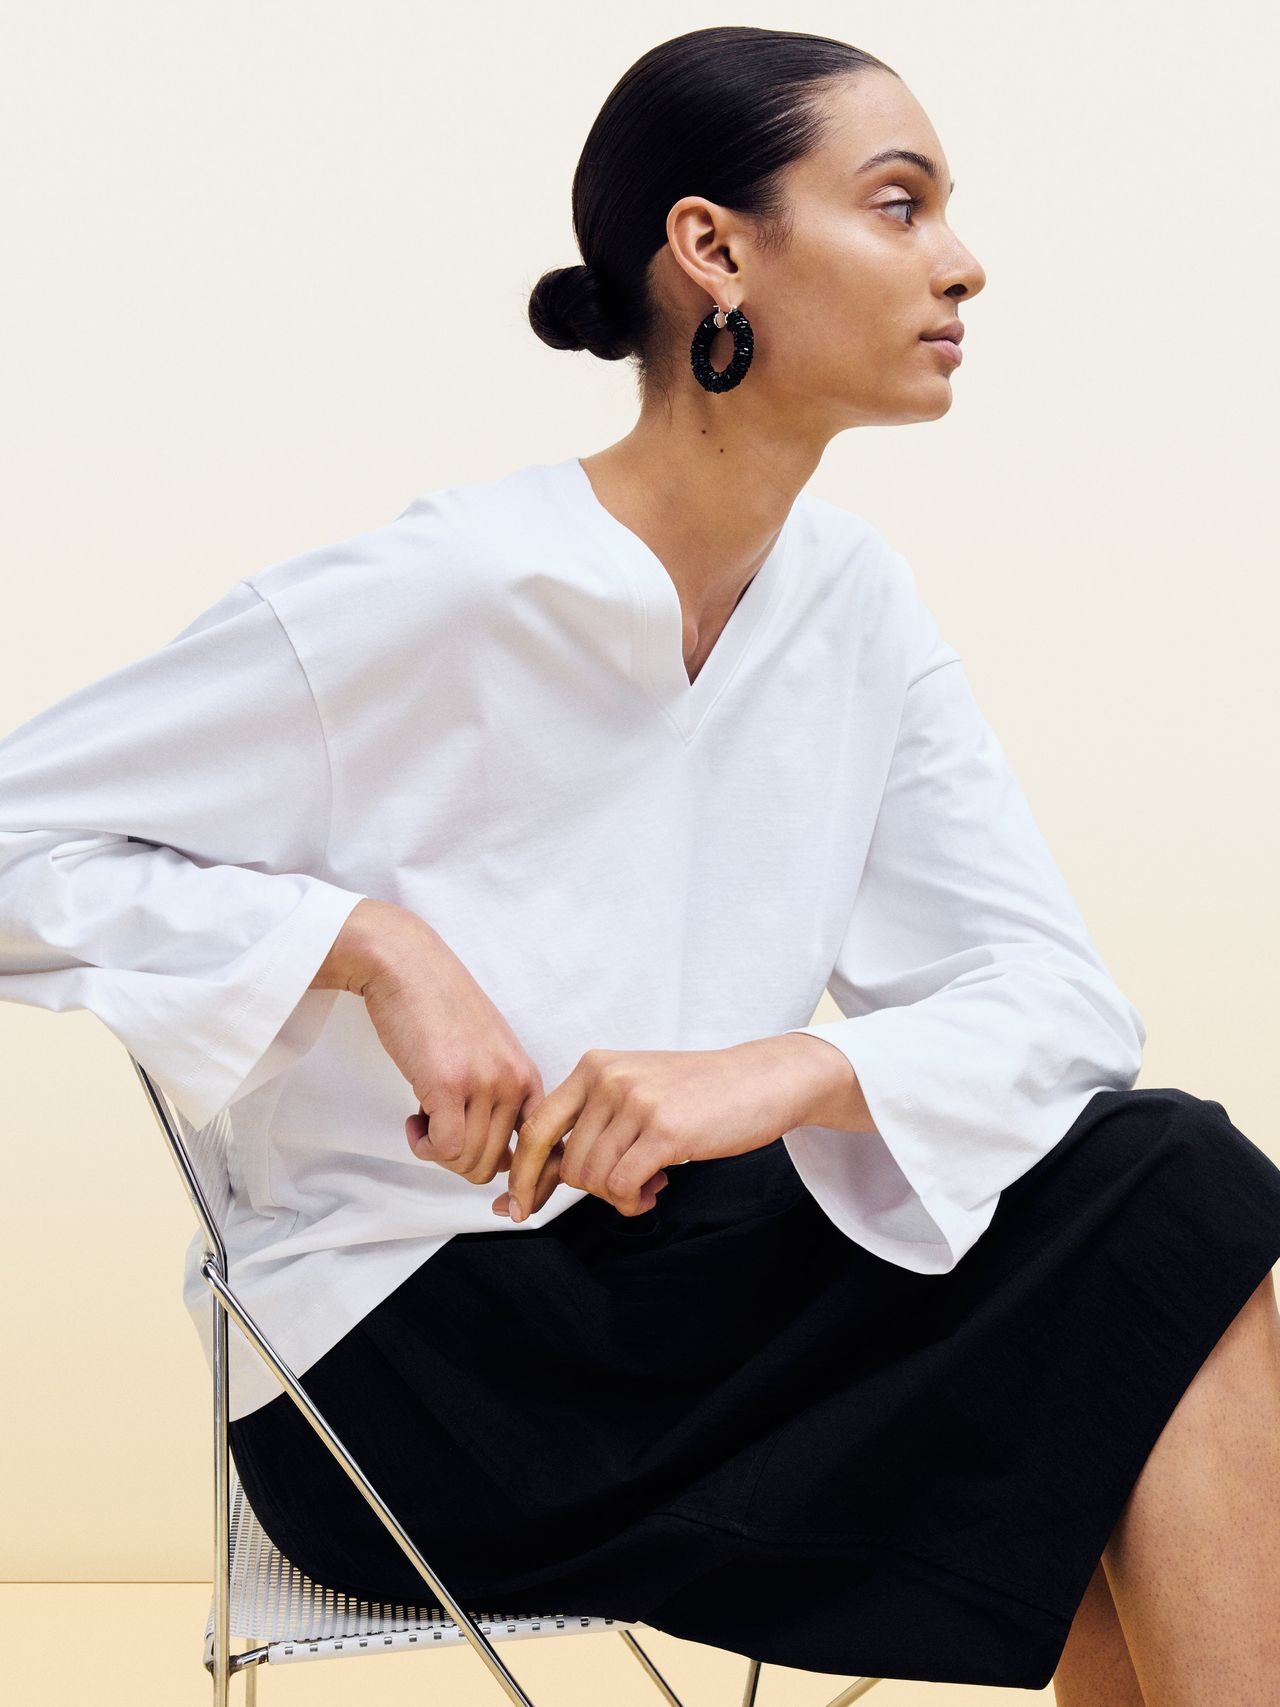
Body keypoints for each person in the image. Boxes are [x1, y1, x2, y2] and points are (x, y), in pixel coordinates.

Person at [3, 24, 1279, 1698]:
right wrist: (369, 942)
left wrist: (780, 1074)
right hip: (410, 1360)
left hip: (695, 1285)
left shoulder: (852, 609)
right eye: (898, 207)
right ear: (714, 251)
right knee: (1149, 1280)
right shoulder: (446, 589)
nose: (963, 263)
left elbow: (1057, 1010)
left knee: (1162, 1216)